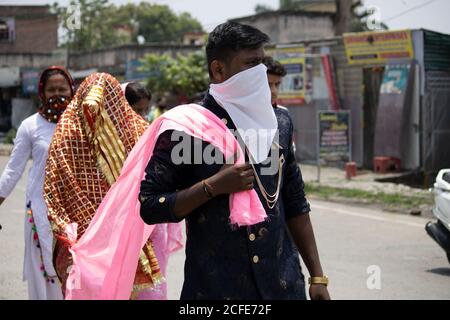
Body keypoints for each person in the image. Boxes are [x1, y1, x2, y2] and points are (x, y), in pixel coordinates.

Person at [139, 22, 330, 300]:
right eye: (251, 64)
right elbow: (150, 205)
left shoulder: (279, 122)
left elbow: (295, 201)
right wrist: (211, 187)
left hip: (283, 286)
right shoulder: (186, 128)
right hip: (215, 291)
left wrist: (317, 276)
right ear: (219, 70)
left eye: (262, 63)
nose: (261, 73)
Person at [43, 73, 169, 299]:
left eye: (104, 105)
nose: (96, 113)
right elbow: (55, 185)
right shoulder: (67, 135)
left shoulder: (137, 131)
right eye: (91, 107)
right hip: (80, 236)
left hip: (124, 230)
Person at [0, 66, 75, 300]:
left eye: (62, 88)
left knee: (74, 273)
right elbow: (13, 170)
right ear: (42, 93)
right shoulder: (30, 126)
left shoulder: (82, 124)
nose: (57, 93)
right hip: (39, 211)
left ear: (72, 91)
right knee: (43, 271)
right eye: (51, 89)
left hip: (75, 212)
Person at [263, 56, 297, 154]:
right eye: (268, 84)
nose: (274, 91)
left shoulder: (283, 115)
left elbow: (290, 160)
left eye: (277, 84)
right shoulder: (238, 115)